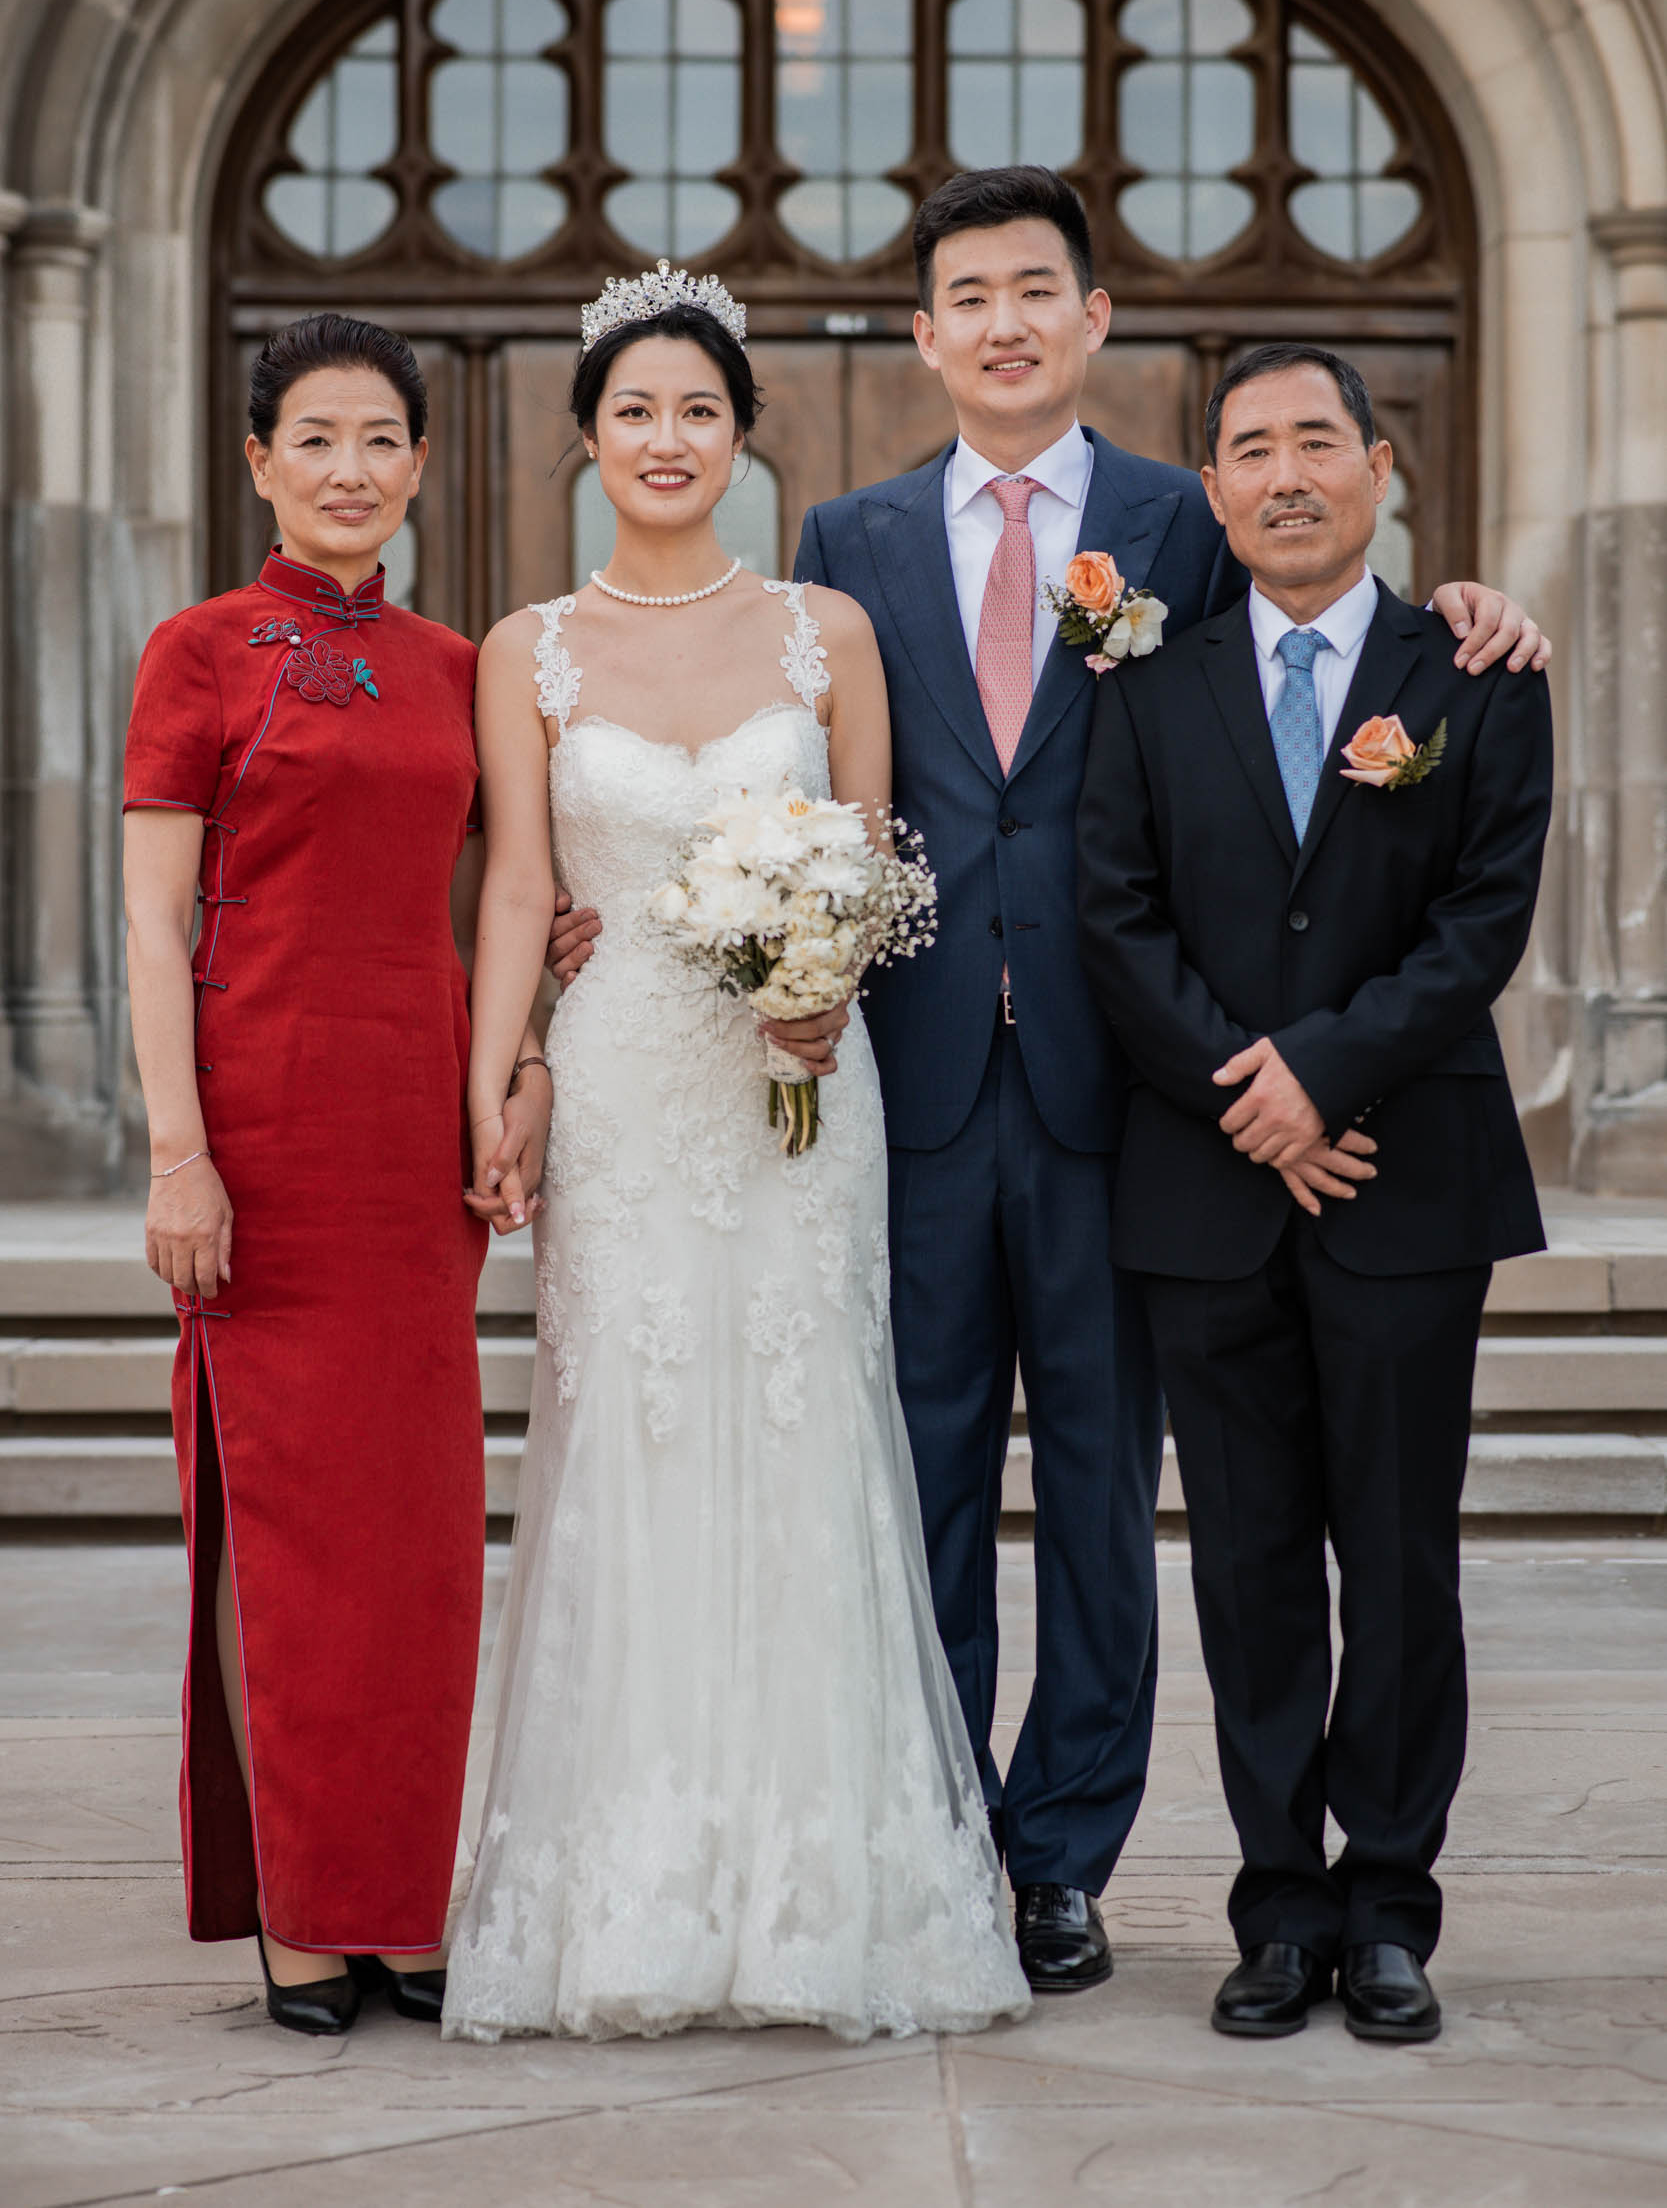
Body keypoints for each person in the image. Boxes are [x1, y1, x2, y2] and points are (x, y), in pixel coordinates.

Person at [793, 167, 1552, 1993]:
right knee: (925, 1479)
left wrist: (1471, 603)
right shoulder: (846, 536)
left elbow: (1312, 646)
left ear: (1092, 317)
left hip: (1129, 1090)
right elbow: (789, 760)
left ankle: (1065, 1858)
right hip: (918, 1072)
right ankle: (935, 1840)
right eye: (968, 297)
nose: (1004, 323)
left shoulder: (1177, 514)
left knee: (1109, 1500)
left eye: (1034, 290)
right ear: (925, 335)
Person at [442, 264, 1029, 2044]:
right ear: (589, 438)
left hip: (801, 1090)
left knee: (802, 1428)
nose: (667, 437)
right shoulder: (528, 648)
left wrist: (821, 985)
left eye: (699, 409)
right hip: (624, 1090)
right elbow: (522, 885)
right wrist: (503, 1078)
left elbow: (871, 851)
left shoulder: (822, 630)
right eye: (635, 409)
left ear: (744, 437)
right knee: (633, 1442)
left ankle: (815, 1901)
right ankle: (636, 1892)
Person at [1076, 344, 1553, 2043]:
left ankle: (1393, 1904)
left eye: (1316, 443)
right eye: (1252, 451)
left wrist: (1323, 1078)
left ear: (1377, 466)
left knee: (1402, 1560)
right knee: (1252, 1562)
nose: (1287, 476)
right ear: (1211, 491)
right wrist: (1252, 1101)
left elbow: (1483, 920)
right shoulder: (1144, 682)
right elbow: (1115, 915)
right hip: (1207, 1194)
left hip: (1407, 1184)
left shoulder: (1475, 672)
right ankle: (1279, 1905)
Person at [122, 315, 552, 2036]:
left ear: (421, 464)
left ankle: (398, 1900)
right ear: (259, 462)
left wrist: (520, 1067)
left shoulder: (460, 666)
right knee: (284, 1534)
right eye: (314, 438)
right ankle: (305, 1914)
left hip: (412, 1150)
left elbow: (516, 898)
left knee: (417, 1542)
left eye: (381, 439)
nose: (350, 469)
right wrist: (179, 1154)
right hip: (259, 1133)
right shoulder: (196, 652)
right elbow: (151, 922)